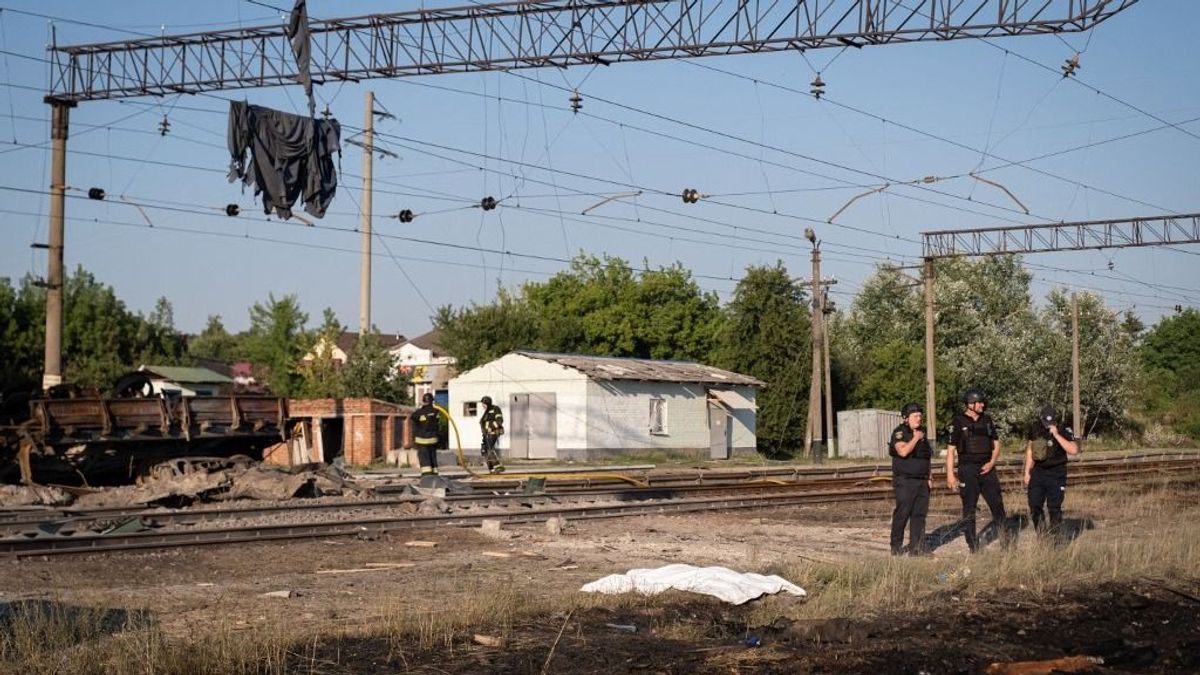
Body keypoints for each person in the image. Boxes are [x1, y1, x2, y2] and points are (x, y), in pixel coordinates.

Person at [946, 388, 1007, 552]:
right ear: (970, 404)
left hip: (987, 468)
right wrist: (950, 475)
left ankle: (1006, 543)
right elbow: (951, 450)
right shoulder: (958, 421)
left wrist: (992, 462)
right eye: (979, 402)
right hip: (967, 469)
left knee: (998, 506)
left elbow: (996, 444)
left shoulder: (987, 420)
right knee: (969, 508)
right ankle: (973, 546)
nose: (982, 405)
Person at [1023, 404, 1080, 535]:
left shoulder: (1064, 428)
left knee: (1054, 508)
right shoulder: (1035, 427)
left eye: (1051, 421)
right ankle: (1042, 535)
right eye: (1045, 421)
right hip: (1038, 472)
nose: (1048, 424)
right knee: (1034, 505)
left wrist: (1057, 435)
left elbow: (1074, 450)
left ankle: (1056, 539)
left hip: (1057, 472)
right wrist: (1027, 472)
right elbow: (1030, 450)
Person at [888, 402, 932, 555]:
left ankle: (917, 548)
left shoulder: (922, 433)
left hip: (921, 480)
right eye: (915, 416)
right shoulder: (900, 432)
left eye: (920, 415)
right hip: (905, 481)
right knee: (903, 513)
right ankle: (896, 547)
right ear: (906, 418)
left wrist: (929, 476)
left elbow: (926, 457)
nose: (919, 419)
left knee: (919, 515)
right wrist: (915, 438)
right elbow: (903, 452)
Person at [410, 393, 441, 477]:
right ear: (432, 401)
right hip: (433, 440)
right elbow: (437, 422)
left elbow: (412, 417)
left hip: (422, 440)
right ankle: (435, 475)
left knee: (424, 458)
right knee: (432, 457)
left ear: (423, 401)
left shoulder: (419, 412)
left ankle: (427, 476)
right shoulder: (436, 411)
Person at [479, 395, 505, 473]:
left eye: (484, 404)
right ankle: (491, 468)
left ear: (487, 403)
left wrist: (491, 427)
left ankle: (497, 465)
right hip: (486, 434)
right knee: (484, 450)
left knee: (489, 449)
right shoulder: (486, 413)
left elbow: (499, 420)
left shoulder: (495, 409)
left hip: (493, 433)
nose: (483, 406)